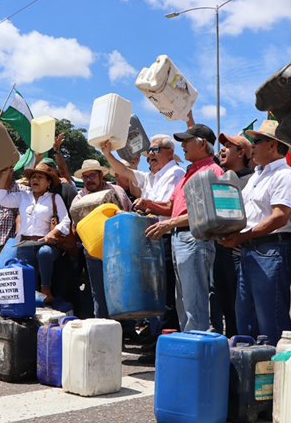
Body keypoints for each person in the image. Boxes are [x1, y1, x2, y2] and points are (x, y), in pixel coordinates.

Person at [100, 136, 184, 360]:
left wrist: (148, 204)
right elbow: (125, 172)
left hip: (165, 236)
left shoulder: (174, 173)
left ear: (169, 151)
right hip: (151, 237)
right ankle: (157, 339)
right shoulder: (151, 177)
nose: (150, 155)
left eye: (155, 150)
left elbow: (171, 209)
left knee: (165, 293)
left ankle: (164, 343)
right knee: (153, 291)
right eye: (149, 151)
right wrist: (108, 154)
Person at [138, 124, 223, 333]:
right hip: (181, 239)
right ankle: (189, 346)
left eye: (187, 140)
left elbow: (207, 211)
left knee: (193, 301)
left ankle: (196, 349)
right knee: (183, 301)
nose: (182, 145)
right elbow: (171, 206)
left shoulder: (213, 171)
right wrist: (148, 203)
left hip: (194, 238)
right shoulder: (190, 172)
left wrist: (170, 223)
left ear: (202, 144)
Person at [219, 120, 291, 345]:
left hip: (271, 249)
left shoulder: (285, 175)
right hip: (252, 249)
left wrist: (243, 236)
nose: (252, 146)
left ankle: (274, 373)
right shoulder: (257, 175)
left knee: (270, 319)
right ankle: (252, 372)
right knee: (246, 317)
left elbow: (279, 216)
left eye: (257, 141)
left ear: (272, 145)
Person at [0, 163, 71, 303]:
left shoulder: (54, 198)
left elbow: (65, 221)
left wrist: (52, 233)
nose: (35, 179)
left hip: (46, 243)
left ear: (48, 182)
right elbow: (0, 198)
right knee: (29, 283)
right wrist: (4, 175)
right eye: (33, 177)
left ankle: (46, 288)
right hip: (25, 244)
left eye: (40, 177)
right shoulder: (22, 196)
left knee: (44, 253)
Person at [70, 159, 132, 318]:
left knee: (123, 291)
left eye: (92, 175)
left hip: (119, 251)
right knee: (98, 293)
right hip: (93, 254)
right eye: (85, 177)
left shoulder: (117, 191)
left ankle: (127, 329)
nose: (88, 180)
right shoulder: (79, 198)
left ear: (101, 175)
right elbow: (75, 227)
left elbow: (129, 215)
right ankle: (102, 328)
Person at [210, 132, 254, 336]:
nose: (222, 149)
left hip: (242, 253)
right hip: (220, 252)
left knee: (243, 309)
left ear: (242, 152)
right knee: (226, 306)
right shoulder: (220, 181)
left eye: (228, 146)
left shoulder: (254, 180)